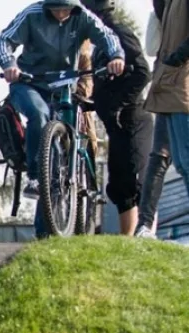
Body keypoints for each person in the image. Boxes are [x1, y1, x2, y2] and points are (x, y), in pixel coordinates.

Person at [0, 0, 125, 236]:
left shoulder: (82, 16)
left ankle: (52, 228)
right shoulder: (32, 15)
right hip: (29, 83)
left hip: (65, 85)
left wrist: (116, 56)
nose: (61, 13)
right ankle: (35, 178)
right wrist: (9, 64)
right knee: (39, 114)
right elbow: (3, 41)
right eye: (55, 9)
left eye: (66, 9)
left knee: (56, 153)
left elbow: (107, 36)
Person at [83, 0, 153, 236]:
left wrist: (120, 105)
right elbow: (105, 84)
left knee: (136, 182)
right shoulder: (100, 45)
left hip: (132, 119)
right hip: (116, 125)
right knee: (120, 186)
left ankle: (144, 238)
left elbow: (143, 72)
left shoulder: (120, 33)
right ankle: (128, 243)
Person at [139, 0, 188, 238]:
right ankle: (145, 226)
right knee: (170, 159)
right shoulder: (168, 4)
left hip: (181, 84)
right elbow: (154, 46)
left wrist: (177, 58)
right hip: (168, 83)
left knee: (185, 161)